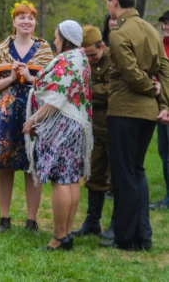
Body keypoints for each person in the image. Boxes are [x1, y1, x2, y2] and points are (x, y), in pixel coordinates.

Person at [0, 1, 54, 234]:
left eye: (31, 18)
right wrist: (12, 78)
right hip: (6, 113)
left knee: (31, 165)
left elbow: (52, 86)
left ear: (35, 22)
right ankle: (4, 219)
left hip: (34, 112)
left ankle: (31, 221)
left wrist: (29, 76)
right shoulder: (3, 48)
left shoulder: (45, 49)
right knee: (4, 165)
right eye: (21, 17)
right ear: (14, 22)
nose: (26, 21)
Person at [100, 0, 169, 251]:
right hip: (148, 114)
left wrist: (150, 90)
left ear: (114, 2)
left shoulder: (119, 33)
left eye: (107, 1)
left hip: (125, 110)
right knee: (137, 172)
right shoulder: (152, 30)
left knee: (123, 174)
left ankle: (125, 238)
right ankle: (144, 235)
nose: (107, 7)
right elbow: (164, 68)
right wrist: (163, 102)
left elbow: (129, 73)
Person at [23, 20, 93, 251]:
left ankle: (58, 237)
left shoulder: (68, 60)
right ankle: (67, 233)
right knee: (71, 179)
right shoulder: (81, 58)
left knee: (60, 180)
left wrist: (33, 119)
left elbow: (55, 98)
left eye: (56, 37)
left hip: (61, 125)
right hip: (76, 126)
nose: (54, 41)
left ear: (65, 39)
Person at [73, 26, 111, 237]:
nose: (90, 60)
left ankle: (117, 224)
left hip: (113, 125)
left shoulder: (114, 60)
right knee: (94, 174)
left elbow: (111, 90)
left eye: (93, 54)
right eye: (85, 56)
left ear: (102, 46)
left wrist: (86, 91)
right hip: (93, 127)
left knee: (118, 179)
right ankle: (92, 222)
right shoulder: (82, 63)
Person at [150, 9, 169, 210]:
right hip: (161, 104)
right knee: (164, 153)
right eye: (164, 23)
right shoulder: (161, 46)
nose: (166, 27)